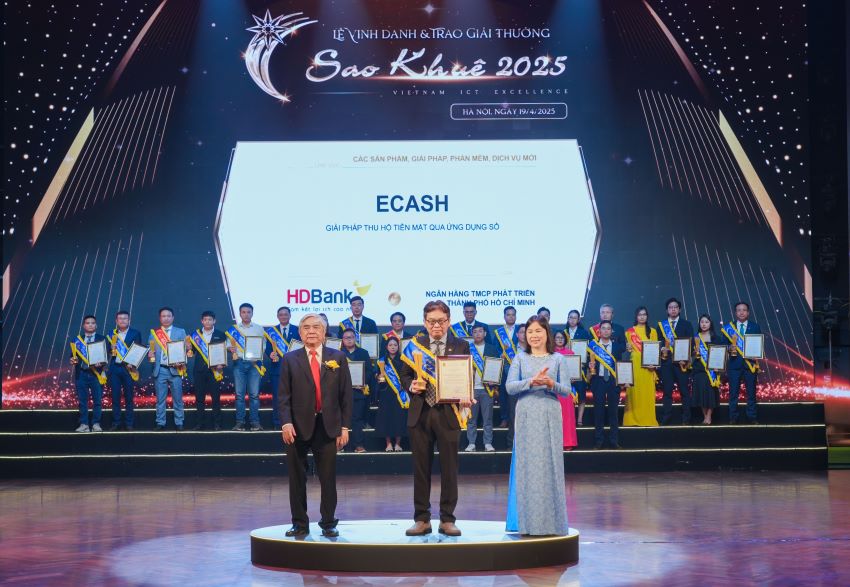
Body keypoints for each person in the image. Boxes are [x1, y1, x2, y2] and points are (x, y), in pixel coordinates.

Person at [399, 300, 472, 537]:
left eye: (441, 321)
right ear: (424, 323)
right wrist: (412, 385)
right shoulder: (414, 345)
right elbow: (404, 375)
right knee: (421, 469)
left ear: (449, 321)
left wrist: (465, 395)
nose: (436, 326)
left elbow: (466, 376)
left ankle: (447, 519)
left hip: (448, 414)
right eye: (431, 321)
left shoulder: (460, 345)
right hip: (420, 414)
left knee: (450, 468)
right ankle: (422, 519)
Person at [279, 313, 352, 537]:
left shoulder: (337, 357)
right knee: (297, 478)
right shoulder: (290, 359)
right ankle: (299, 523)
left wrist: (345, 427)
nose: (311, 331)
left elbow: (345, 396)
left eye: (316, 327)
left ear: (324, 332)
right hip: (297, 428)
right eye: (307, 327)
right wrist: (286, 423)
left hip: (328, 426)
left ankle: (329, 522)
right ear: (300, 333)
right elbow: (283, 396)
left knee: (328, 478)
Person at [505, 316, 570, 536]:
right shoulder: (520, 358)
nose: (534, 335)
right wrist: (530, 382)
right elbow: (510, 387)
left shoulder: (558, 359)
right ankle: (528, 524)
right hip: (526, 413)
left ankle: (553, 523)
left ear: (546, 333)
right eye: (530, 331)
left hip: (549, 413)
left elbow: (567, 390)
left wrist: (551, 384)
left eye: (538, 331)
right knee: (527, 467)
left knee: (550, 464)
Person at [227, 303, 266, 431]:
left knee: (254, 395)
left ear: (252, 313)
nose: (246, 314)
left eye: (248, 312)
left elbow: (263, 345)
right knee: (239, 395)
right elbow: (228, 345)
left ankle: (255, 422)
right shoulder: (234, 329)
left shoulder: (259, 328)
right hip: (239, 363)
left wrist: (258, 354)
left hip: (254, 364)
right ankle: (240, 422)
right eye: (243, 312)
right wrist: (230, 348)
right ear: (240, 314)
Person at [148, 307, 187, 431]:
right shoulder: (154, 333)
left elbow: (185, 350)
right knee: (160, 399)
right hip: (160, 370)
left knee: (178, 398)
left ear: (173, 317)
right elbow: (151, 350)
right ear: (160, 318)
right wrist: (150, 354)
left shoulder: (180, 332)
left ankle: (179, 422)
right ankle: (160, 422)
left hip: (175, 369)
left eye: (168, 316)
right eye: (163, 316)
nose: (166, 318)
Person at [587, 320, 625, 449]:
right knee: (599, 412)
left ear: (611, 331)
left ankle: (614, 441)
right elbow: (589, 365)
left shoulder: (617, 347)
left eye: (608, 328)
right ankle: (599, 441)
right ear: (599, 331)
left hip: (613, 383)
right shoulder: (593, 347)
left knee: (613, 413)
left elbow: (621, 366)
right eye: (603, 328)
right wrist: (590, 367)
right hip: (599, 381)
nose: (606, 331)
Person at [722, 302, 761, 424]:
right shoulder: (729, 327)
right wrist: (729, 348)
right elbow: (724, 345)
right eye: (739, 310)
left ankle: (752, 417)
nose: (741, 312)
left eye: (744, 310)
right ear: (735, 312)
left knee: (751, 393)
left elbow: (759, 344)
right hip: (734, 365)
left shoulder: (755, 326)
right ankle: (733, 417)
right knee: (733, 393)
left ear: (748, 312)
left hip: (750, 365)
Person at [657, 297, 694, 425]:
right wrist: (662, 348)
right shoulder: (661, 325)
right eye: (670, 307)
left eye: (675, 307)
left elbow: (691, 343)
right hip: (666, 363)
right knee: (667, 391)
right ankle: (666, 417)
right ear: (667, 310)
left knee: (684, 391)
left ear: (679, 309)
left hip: (681, 363)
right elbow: (659, 342)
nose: (673, 310)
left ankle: (686, 418)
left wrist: (686, 358)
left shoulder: (687, 324)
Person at [69, 315, 110, 432]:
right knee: (82, 401)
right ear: (83, 325)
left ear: (96, 325)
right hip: (81, 374)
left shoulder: (102, 339)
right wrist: (72, 360)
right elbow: (72, 357)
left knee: (97, 400)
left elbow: (107, 356)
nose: (90, 325)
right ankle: (84, 424)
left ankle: (96, 423)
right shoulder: (77, 340)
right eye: (88, 323)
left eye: (92, 323)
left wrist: (101, 363)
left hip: (96, 374)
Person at [188, 310, 227, 430]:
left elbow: (223, 352)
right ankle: (200, 423)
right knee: (199, 398)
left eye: (210, 319)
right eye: (205, 319)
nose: (207, 321)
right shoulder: (195, 335)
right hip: (199, 370)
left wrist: (222, 364)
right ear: (202, 321)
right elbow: (192, 352)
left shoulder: (220, 334)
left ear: (214, 321)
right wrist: (188, 349)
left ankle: (217, 423)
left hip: (215, 370)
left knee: (216, 398)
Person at [465, 324, 501, 452]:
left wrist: (495, 381)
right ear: (472, 334)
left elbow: (498, 368)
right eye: (475, 332)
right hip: (472, 389)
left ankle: (487, 443)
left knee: (488, 419)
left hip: (487, 389)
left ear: (485, 333)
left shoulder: (492, 349)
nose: (478, 334)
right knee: (471, 419)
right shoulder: (467, 349)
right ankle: (471, 443)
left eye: (480, 331)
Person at [264, 306, 301, 429]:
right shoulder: (271, 331)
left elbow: (302, 348)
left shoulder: (298, 330)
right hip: (277, 369)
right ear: (277, 316)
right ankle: (277, 423)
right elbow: (267, 348)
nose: (283, 316)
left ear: (290, 316)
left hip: (294, 370)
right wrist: (270, 353)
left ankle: (294, 423)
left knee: (295, 397)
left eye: (286, 314)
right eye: (281, 314)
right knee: (277, 397)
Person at [623, 307, 660, 427]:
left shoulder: (653, 331)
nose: (642, 317)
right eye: (639, 315)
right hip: (635, 366)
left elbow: (656, 351)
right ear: (636, 316)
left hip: (648, 368)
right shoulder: (629, 332)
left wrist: (653, 365)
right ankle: (631, 420)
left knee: (647, 394)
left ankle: (648, 419)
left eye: (644, 314)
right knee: (634, 394)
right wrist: (627, 348)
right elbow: (629, 349)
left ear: (647, 316)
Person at [341, 327, 375, 452]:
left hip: (359, 392)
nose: (349, 340)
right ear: (342, 340)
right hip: (342, 392)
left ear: (355, 338)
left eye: (351, 337)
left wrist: (362, 381)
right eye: (346, 338)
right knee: (340, 419)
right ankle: (340, 444)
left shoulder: (363, 353)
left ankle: (358, 445)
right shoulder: (338, 354)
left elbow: (369, 372)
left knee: (357, 419)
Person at [108, 310, 142, 431]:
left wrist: (132, 364)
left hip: (129, 368)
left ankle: (129, 423)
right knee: (115, 397)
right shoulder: (111, 334)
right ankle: (116, 422)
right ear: (116, 321)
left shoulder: (135, 333)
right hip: (115, 368)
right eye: (120, 319)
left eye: (125, 318)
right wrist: (110, 348)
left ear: (129, 320)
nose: (123, 320)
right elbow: (106, 352)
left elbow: (138, 350)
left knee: (129, 397)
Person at [375, 337, 408, 452]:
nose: (393, 347)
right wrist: (378, 378)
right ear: (386, 347)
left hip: (399, 393)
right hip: (386, 393)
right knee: (386, 418)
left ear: (398, 347)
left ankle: (398, 443)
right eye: (390, 345)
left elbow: (406, 376)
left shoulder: (403, 360)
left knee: (399, 418)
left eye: (395, 345)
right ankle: (388, 443)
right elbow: (377, 375)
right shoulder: (382, 361)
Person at [564, 310, 592, 426]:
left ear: (578, 320)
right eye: (570, 317)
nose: (572, 320)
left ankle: (579, 419)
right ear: (567, 318)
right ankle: (567, 418)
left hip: (580, 369)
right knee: (566, 395)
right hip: (565, 370)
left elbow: (589, 352)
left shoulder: (584, 333)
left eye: (575, 318)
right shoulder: (563, 333)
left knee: (581, 394)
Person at [692, 314, 721, 425]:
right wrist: (694, 353)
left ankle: (708, 416)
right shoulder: (695, 338)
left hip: (712, 370)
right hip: (699, 369)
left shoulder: (716, 338)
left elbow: (721, 354)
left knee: (710, 394)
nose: (704, 324)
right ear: (699, 324)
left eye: (706, 322)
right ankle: (705, 415)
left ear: (710, 324)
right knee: (701, 394)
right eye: (702, 322)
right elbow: (689, 354)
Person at [493, 306, 519, 428]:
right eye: (508, 315)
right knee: (503, 394)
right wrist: (500, 355)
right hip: (504, 367)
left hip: (518, 367)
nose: (511, 317)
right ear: (504, 316)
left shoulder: (521, 330)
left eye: (513, 314)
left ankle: (517, 418)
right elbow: (495, 348)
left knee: (517, 394)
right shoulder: (499, 332)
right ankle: (505, 418)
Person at [552, 331, 578, 449]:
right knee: (554, 417)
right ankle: (554, 443)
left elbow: (574, 372)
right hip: (553, 390)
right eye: (557, 337)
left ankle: (568, 442)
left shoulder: (570, 353)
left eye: (562, 337)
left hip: (566, 390)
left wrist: (573, 377)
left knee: (567, 417)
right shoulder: (549, 354)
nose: (560, 339)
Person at [506, 323, 528, 449]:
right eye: (521, 332)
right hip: (515, 388)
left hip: (530, 388)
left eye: (526, 332)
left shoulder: (535, 350)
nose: (524, 334)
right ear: (517, 334)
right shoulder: (511, 350)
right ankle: (511, 444)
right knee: (513, 416)